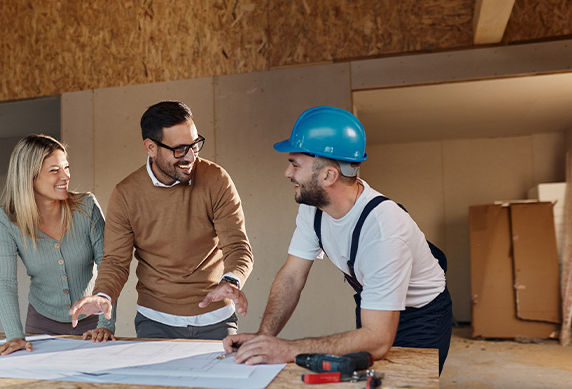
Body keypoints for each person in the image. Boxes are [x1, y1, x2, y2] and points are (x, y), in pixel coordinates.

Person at [223, 106, 453, 374]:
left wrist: (287, 350)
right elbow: (292, 276)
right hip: (373, 307)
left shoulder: (383, 230)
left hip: (421, 317)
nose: (287, 173)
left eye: (295, 164)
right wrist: (264, 339)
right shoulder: (313, 208)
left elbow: (378, 339)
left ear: (329, 175)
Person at [68, 101, 253, 340]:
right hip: (155, 320)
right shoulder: (126, 194)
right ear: (151, 147)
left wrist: (231, 280)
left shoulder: (216, 179)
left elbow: (238, 246)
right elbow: (115, 261)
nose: (190, 157)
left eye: (195, 145)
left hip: (216, 317)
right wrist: (103, 295)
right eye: (179, 149)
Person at [0, 134, 115, 356]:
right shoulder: (7, 220)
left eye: (66, 167)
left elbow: (109, 263)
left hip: (91, 325)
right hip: (40, 325)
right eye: (54, 170)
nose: (65, 176)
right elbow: (5, 282)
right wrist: (15, 336)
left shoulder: (86, 207)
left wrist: (105, 325)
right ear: (29, 176)